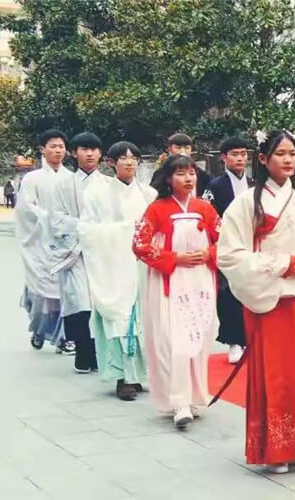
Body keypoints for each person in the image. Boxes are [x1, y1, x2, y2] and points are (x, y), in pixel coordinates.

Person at [217, 129, 295, 474]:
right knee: (277, 376)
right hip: (269, 297)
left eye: (293, 153)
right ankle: (276, 448)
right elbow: (229, 254)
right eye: (281, 153)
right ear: (263, 159)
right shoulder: (246, 203)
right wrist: (278, 264)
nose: (288, 160)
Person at [133, 154, 220, 428]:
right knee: (173, 341)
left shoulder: (205, 208)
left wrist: (208, 253)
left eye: (191, 172)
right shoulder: (156, 209)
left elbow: (227, 240)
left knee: (198, 338)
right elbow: (140, 245)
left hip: (201, 282)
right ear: (168, 179)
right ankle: (178, 401)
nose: (188, 178)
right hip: (169, 283)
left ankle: (195, 396)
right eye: (181, 173)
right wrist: (174, 258)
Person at [79, 141, 156, 401]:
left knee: (143, 318)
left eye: (134, 157)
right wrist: (125, 230)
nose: (129, 162)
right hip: (112, 266)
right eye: (122, 158)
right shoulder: (97, 194)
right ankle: (122, 377)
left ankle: (140, 375)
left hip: (142, 266)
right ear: (111, 163)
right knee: (118, 318)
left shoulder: (149, 194)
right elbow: (87, 230)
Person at [48, 132, 108, 374]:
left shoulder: (108, 185)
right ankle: (83, 353)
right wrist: (83, 229)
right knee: (80, 301)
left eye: (94, 149)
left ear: (101, 154)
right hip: (75, 252)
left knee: (101, 303)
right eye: (84, 149)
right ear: (75, 153)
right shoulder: (63, 185)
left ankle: (101, 353)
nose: (90, 153)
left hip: (102, 252)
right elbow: (56, 218)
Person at [14, 129, 74, 354]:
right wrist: (50, 219)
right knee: (41, 293)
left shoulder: (71, 178)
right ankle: (39, 329)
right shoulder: (32, 179)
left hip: (65, 244)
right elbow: (26, 209)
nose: (58, 151)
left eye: (61, 147)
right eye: (53, 146)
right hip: (39, 243)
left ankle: (62, 337)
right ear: (42, 149)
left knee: (65, 292)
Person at [203, 137, 251, 364]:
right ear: (223, 158)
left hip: (253, 245)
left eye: (243, 153)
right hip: (227, 245)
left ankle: (251, 338)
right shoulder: (215, 186)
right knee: (228, 294)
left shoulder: (254, 184)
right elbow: (208, 217)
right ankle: (234, 342)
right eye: (234, 154)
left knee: (251, 292)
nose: (240, 158)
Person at [150, 133, 212, 197]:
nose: (183, 151)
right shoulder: (161, 173)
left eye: (187, 148)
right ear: (169, 149)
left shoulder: (202, 175)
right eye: (178, 148)